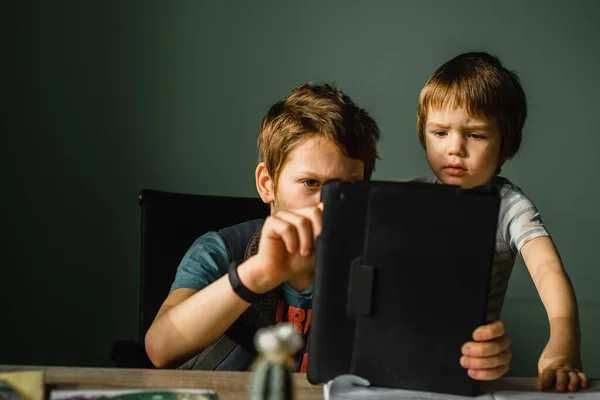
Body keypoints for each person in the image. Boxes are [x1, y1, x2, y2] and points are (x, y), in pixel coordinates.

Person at [145, 82, 512, 380]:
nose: (327, 205)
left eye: (345, 189)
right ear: (266, 183)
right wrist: (256, 274)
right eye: (310, 182)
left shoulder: (381, 267)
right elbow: (159, 350)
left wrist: (479, 357)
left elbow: (427, 358)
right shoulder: (221, 250)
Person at [415, 52, 587, 392]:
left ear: (506, 145)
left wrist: (564, 342)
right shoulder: (407, 200)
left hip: (473, 369)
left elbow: (547, 270)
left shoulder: (509, 207)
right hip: (402, 360)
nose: (455, 149)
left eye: (476, 135)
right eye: (439, 132)